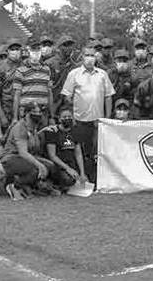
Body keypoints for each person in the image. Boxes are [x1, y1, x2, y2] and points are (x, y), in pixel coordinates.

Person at [60, 46, 115, 183]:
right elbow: (67, 95)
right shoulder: (74, 74)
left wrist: (106, 118)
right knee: (80, 152)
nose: (90, 58)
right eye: (87, 55)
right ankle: (81, 179)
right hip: (79, 121)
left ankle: (96, 181)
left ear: (96, 57)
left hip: (97, 122)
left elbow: (108, 96)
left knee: (96, 152)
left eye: (92, 55)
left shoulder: (103, 74)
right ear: (82, 57)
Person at [0, 103, 59, 200]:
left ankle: (35, 187)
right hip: (10, 158)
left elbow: (32, 144)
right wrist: (39, 165)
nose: (38, 114)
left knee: (50, 166)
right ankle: (14, 186)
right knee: (36, 169)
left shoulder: (34, 127)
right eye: (35, 112)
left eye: (39, 112)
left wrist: (44, 131)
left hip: (24, 158)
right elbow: (23, 152)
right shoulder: (20, 127)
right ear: (27, 113)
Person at [44, 106, 88, 189]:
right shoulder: (52, 132)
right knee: (68, 180)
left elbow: (78, 154)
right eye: (64, 117)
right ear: (59, 119)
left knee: (82, 179)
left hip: (71, 164)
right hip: (58, 165)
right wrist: (68, 169)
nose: (67, 118)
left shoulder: (75, 132)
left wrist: (82, 173)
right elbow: (52, 156)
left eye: (69, 117)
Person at [13, 39, 53, 124]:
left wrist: (51, 116)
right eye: (33, 49)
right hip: (26, 112)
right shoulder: (20, 70)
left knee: (42, 136)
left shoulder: (47, 69)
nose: (36, 52)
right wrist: (15, 118)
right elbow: (17, 95)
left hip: (43, 112)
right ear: (28, 50)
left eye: (38, 49)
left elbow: (50, 93)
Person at [0, 39, 23, 130]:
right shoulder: (0, 69)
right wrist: (1, 115)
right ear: (7, 51)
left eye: (17, 49)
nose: (15, 52)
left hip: (23, 107)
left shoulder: (26, 66)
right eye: (12, 49)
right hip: (7, 108)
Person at [46, 34, 76, 113]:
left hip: (68, 104)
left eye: (70, 45)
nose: (69, 48)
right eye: (65, 45)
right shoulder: (50, 63)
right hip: (53, 102)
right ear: (59, 47)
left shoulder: (74, 65)